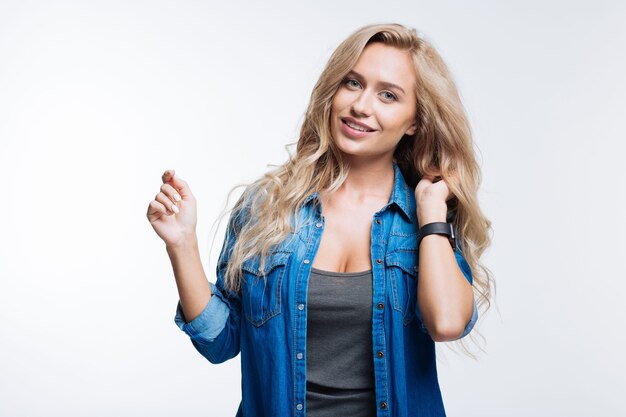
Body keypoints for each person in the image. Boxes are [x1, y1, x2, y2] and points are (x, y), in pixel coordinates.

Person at [147, 22, 493, 417]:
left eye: (388, 95)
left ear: (415, 120)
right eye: (352, 83)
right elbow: (220, 343)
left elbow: (447, 323)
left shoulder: (428, 218)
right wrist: (181, 244)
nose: (362, 105)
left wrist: (431, 214)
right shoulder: (267, 205)